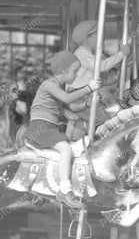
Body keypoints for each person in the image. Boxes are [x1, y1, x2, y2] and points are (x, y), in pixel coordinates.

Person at [24, 51, 101, 208]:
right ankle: (65, 191)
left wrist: (87, 104)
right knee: (66, 150)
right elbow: (67, 99)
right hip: (40, 127)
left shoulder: (59, 87)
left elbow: (71, 106)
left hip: (50, 128)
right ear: (63, 71)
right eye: (74, 71)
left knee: (74, 149)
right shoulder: (49, 84)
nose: (76, 74)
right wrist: (89, 88)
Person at [66, 20, 131, 140]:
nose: (100, 39)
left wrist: (121, 69)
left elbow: (102, 77)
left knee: (117, 108)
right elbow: (100, 67)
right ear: (86, 40)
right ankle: (89, 138)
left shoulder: (88, 54)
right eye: (97, 35)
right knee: (106, 119)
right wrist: (121, 54)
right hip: (79, 95)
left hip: (88, 93)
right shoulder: (81, 53)